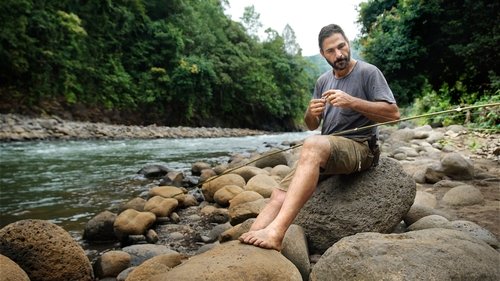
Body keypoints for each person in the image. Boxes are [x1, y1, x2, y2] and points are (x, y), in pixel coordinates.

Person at [239, 24, 400, 251]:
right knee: (278, 193)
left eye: (341, 47)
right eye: (331, 51)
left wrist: (351, 101)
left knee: (312, 145)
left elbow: (393, 115)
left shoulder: (368, 72)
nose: (339, 54)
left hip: (361, 147)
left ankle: (276, 233)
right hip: (328, 149)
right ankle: (253, 236)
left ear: (348, 43)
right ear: (323, 54)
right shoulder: (323, 81)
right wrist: (310, 112)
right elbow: (312, 124)